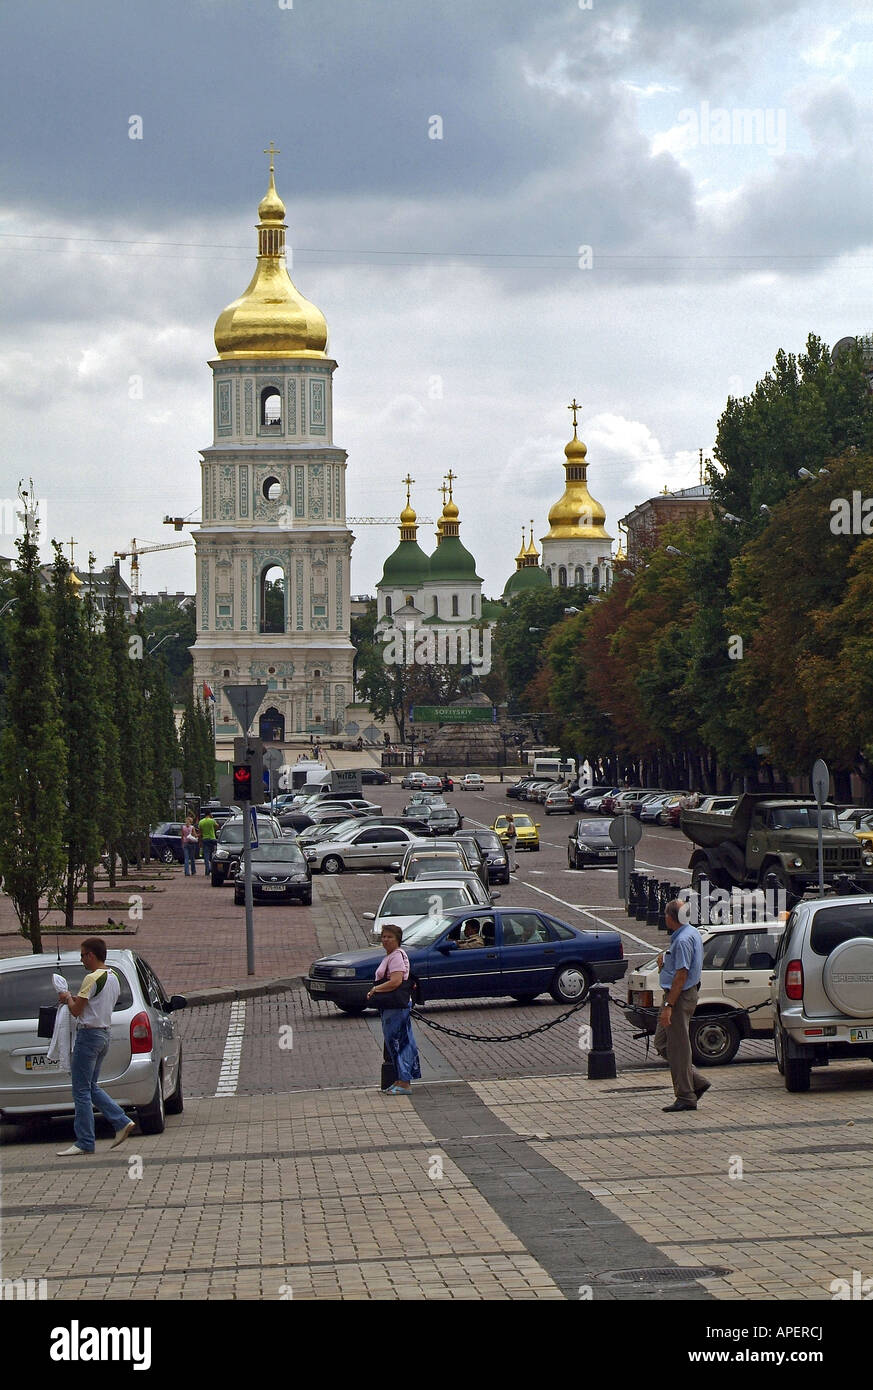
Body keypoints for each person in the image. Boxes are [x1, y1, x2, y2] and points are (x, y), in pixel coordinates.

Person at [55, 938, 135, 1155]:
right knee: (90, 1086)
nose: (81, 959)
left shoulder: (91, 978)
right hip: (104, 1034)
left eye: (83, 955)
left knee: (80, 1090)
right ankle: (120, 1121)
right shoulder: (114, 976)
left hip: (88, 1035)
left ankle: (84, 1141)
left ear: (91, 955)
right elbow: (94, 1004)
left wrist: (65, 998)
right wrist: (75, 1000)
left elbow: (76, 1011)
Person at [654, 900, 710, 1112]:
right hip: (676, 994)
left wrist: (669, 1005)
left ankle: (686, 1096)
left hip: (679, 997)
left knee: (679, 1048)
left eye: (666, 914)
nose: (664, 917)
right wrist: (664, 967)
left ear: (671, 918)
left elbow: (682, 974)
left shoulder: (683, 940)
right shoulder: (689, 932)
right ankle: (696, 1081)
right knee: (662, 1043)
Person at [366, 925, 421, 1095]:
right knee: (397, 1041)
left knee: (396, 1042)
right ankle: (400, 1079)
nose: (385, 940)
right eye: (383, 936)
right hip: (392, 1006)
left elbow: (396, 981)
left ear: (397, 939)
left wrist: (376, 989)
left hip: (395, 1006)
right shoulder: (392, 956)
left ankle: (404, 1082)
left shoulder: (396, 956)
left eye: (389, 937)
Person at [198, 809, 218, 875]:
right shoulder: (212, 821)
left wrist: (200, 842)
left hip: (205, 839)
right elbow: (217, 826)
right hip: (212, 839)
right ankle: (213, 868)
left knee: (206, 856)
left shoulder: (201, 822)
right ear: (209, 814)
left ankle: (207, 870)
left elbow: (200, 833)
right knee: (213, 854)